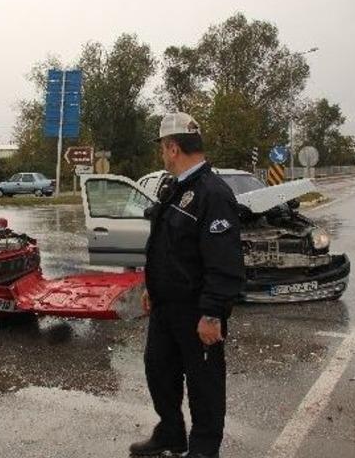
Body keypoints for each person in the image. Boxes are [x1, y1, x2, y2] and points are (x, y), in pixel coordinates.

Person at [130, 112, 246, 458]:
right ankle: (171, 433)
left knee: (204, 387)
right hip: (166, 308)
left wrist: (212, 313)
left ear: (173, 147)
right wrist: (152, 287)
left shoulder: (213, 193)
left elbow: (224, 262)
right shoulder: (175, 188)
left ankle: (204, 450)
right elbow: (166, 247)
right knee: (160, 373)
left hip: (198, 312)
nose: (162, 156)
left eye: (163, 149)